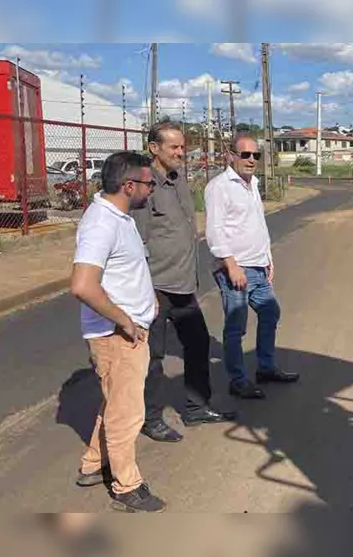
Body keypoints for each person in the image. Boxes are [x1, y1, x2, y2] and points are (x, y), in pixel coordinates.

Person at [69, 151, 166, 512]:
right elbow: (83, 285)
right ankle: (128, 487)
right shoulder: (102, 223)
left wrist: (147, 297)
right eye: (148, 183)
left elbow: (127, 270)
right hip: (117, 336)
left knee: (115, 402)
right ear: (128, 185)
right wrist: (124, 321)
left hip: (127, 331)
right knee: (127, 413)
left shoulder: (120, 217)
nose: (151, 190)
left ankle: (94, 463)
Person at [131, 122, 236, 444]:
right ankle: (150, 419)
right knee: (153, 356)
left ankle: (196, 407)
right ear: (154, 148)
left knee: (198, 343)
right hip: (157, 286)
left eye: (181, 146)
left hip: (183, 284)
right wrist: (142, 287)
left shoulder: (178, 181)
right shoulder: (143, 186)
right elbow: (136, 239)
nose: (181, 152)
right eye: (174, 147)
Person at [205, 133, 299, 399]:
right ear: (230, 155)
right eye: (245, 154)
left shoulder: (252, 183)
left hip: (257, 266)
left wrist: (267, 257)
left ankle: (266, 368)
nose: (251, 160)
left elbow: (258, 224)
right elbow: (214, 231)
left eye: (255, 155)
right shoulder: (219, 187)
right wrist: (231, 266)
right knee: (236, 326)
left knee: (270, 313)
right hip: (235, 268)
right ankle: (238, 380)